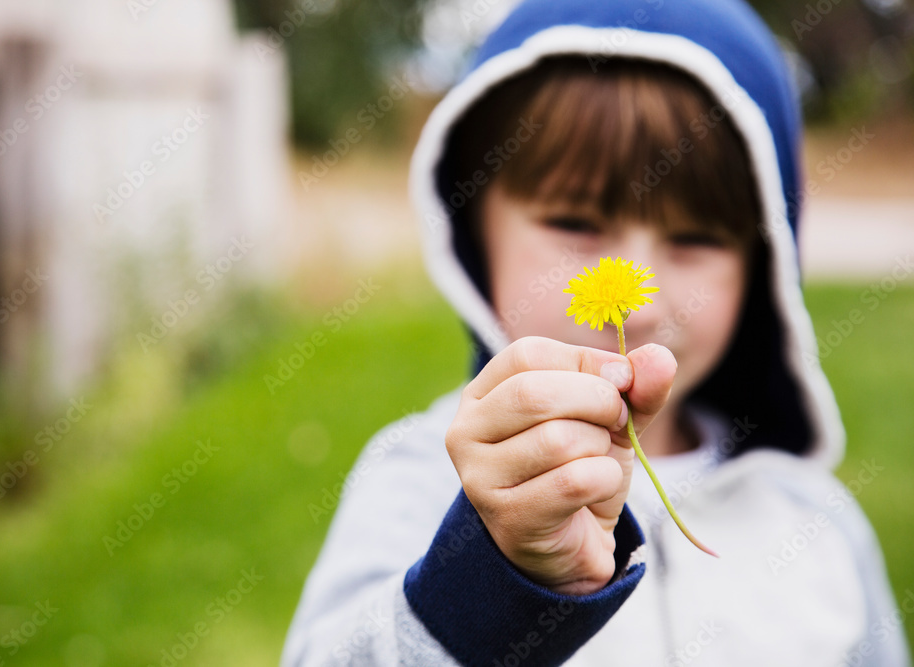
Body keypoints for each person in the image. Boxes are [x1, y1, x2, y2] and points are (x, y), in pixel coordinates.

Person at [281, 0, 911, 664]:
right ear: (476, 233)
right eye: (575, 225)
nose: (637, 305)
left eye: (696, 238)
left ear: (765, 266)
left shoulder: (816, 519)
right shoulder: (417, 480)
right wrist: (490, 582)